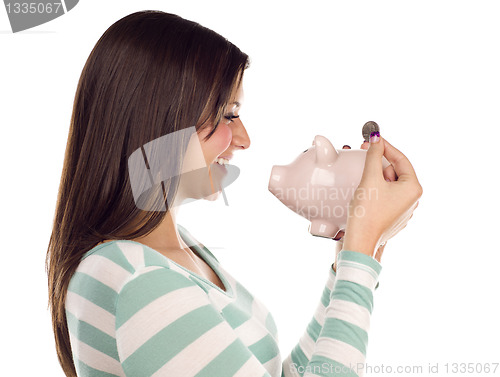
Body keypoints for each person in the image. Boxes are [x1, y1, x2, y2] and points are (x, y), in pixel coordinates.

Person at [46, 10, 422, 377]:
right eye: (228, 114)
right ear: (159, 120)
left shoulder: (172, 257)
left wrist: (354, 253)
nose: (243, 139)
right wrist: (360, 256)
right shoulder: (138, 280)